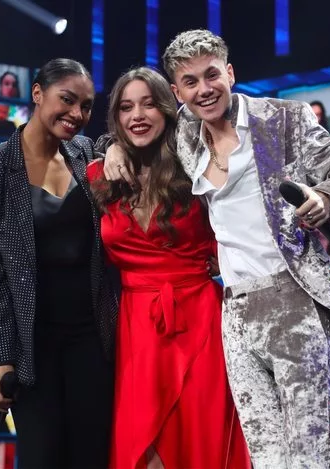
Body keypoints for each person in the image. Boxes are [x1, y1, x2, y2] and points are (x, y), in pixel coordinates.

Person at [104, 29, 330, 467]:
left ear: (229, 73)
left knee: (309, 455)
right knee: (264, 458)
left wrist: (325, 198)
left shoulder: (284, 119)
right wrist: (113, 147)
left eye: (212, 75)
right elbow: (136, 126)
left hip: (293, 301)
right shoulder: (186, 134)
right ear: (178, 93)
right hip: (233, 312)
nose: (204, 89)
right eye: (190, 82)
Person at [87, 66, 249, 469]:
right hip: (137, 329)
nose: (137, 116)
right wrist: (112, 147)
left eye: (148, 104)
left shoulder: (196, 165)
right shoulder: (98, 176)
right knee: (142, 448)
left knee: (202, 442)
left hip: (201, 321)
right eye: (126, 107)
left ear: (167, 108)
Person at [0, 58, 118, 468]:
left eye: (86, 106)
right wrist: (1, 358)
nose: (77, 114)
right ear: (37, 93)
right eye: (67, 100)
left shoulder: (86, 153)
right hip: (34, 346)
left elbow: (122, 144)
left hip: (93, 339)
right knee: (43, 456)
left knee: (93, 457)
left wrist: (118, 148)